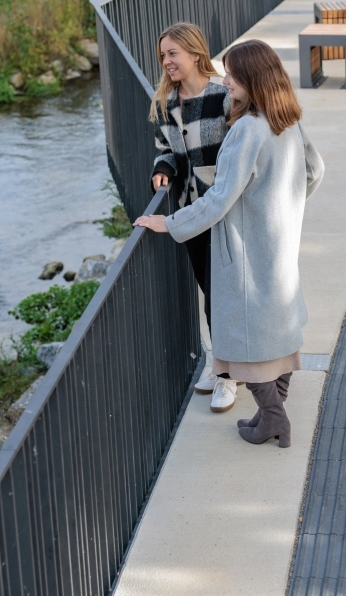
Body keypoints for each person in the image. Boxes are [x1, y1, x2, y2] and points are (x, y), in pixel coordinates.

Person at [135, 40, 325, 448]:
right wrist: (283, 206)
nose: (226, 80)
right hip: (278, 241)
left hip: (243, 249)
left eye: (233, 75)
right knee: (276, 327)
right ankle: (268, 415)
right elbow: (315, 170)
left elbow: (220, 198)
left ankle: (274, 418)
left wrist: (169, 222)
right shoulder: (286, 119)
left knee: (242, 338)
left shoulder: (245, 129)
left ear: (252, 77)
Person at [148, 22, 240, 412]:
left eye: (173, 53)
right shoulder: (166, 102)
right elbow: (164, 147)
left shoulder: (223, 97)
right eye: (163, 55)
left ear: (196, 54)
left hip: (223, 211)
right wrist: (163, 168)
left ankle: (227, 376)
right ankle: (220, 364)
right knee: (209, 292)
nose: (166, 61)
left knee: (223, 295)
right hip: (190, 213)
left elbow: (239, 151)